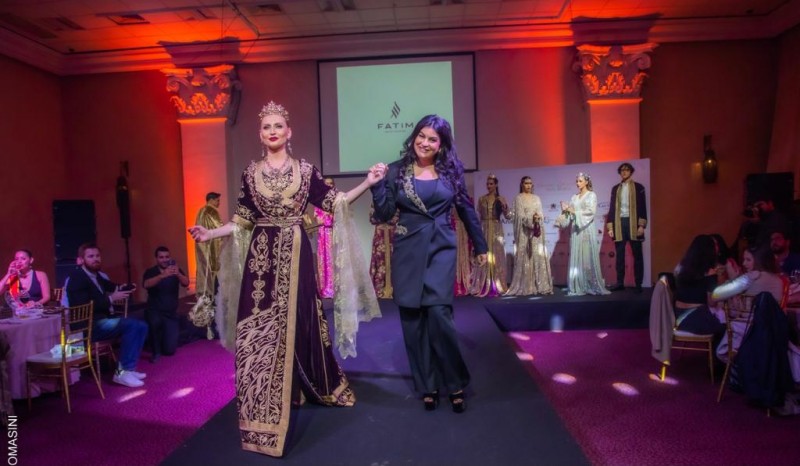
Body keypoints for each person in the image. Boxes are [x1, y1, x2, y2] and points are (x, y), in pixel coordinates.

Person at [188, 101, 380, 458]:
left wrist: (368, 183)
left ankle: (307, 383)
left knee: (301, 320)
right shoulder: (250, 173)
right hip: (261, 259)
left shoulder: (305, 171)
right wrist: (209, 234)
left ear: (288, 132)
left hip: (295, 254)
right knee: (256, 328)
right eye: (267, 127)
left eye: (278, 126)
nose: (273, 131)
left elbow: (335, 202)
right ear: (260, 135)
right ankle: (259, 415)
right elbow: (241, 220)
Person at [370, 114, 488, 413]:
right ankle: (427, 385)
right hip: (408, 251)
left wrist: (481, 245)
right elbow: (384, 214)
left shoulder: (451, 172)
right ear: (413, 137)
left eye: (432, 139)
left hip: (441, 249)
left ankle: (455, 382)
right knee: (413, 322)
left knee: (439, 316)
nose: (424, 143)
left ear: (441, 145)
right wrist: (376, 186)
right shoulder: (396, 171)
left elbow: (466, 209)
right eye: (421, 136)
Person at [65, 243, 147, 388]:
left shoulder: (95, 275)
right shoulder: (77, 277)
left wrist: (123, 287)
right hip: (88, 326)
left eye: (97, 256)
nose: (95, 259)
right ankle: (121, 373)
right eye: (91, 256)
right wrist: (111, 298)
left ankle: (128, 369)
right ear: (82, 259)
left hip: (101, 321)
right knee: (132, 325)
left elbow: (111, 285)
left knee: (142, 325)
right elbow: (83, 305)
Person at [712, 245, 787, 360]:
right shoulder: (779, 280)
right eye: (744, 259)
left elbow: (716, 295)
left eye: (748, 260)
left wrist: (732, 280)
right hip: (773, 331)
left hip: (748, 329)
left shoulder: (752, 276)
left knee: (719, 315)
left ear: (759, 260)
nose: (744, 263)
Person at [556, 173, 610, 296]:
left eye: (580, 181)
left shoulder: (591, 195)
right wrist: (564, 213)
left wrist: (574, 211)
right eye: (577, 181)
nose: (577, 183)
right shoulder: (574, 197)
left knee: (586, 256)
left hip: (586, 229)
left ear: (586, 182)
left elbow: (590, 212)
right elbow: (570, 214)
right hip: (576, 230)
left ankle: (589, 284)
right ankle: (578, 284)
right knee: (577, 255)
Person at [505, 176, 553, 296]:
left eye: (530, 183)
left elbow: (540, 213)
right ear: (522, 184)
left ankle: (539, 284)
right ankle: (525, 285)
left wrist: (537, 220)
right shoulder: (519, 198)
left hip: (536, 231)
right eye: (526, 183)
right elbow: (520, 216)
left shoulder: (537, 198)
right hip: (524, 232)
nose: (528, 185)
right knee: (525, 256)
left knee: (536, 256)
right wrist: (531, 222)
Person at [673, 235, 725, 339]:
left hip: (677, 317)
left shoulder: (681, 267)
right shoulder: (710, 272)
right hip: (697, 319)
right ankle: (717, 349)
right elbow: (712, 302)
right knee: (726, 325)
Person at [142, 246, 189, 362]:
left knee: (170, 350)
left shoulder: (175, 269)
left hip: (171, 314)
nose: (164, 260)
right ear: (156, 258)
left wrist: (178, 274)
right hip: (155, 311)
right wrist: (162, 275)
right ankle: (156, 352)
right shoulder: (151, 271)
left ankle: (163, 340)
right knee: (154, 322)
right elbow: (146, 284)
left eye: (167, 257)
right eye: (161, 257)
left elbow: (186, 283)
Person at [606, 162, 647, 292]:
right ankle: (620, 283)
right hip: (619, 223)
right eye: (622, 170)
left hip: (634, 223)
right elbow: (612, 208)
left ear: (631, 172)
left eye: (627, 170)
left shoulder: (639, 187)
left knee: (637, 255)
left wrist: (641, 225)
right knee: (619, 255)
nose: (624, 172)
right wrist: (610, 227)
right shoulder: (615, 188)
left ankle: (638, 284)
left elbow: (642, 206)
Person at [470, 174, 508, 297]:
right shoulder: (482, 199)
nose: (489, 186)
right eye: (487, 184)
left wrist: (505, 206)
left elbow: (508, 216)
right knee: (484, 253)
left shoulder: (500, 199)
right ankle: (483, 283)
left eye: (491, 183)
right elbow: (478, 216)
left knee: (497, 255)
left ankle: (497, 284)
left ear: (496, 185)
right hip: (484, 228)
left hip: (496, 229)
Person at [194, 192, 223, 298]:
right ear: (211, 200)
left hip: (201, 245)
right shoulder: (212, 211)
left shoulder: (200, 211)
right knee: (213, 269)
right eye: (217, 200)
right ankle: (212, 296)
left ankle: (204, 295)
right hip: (212, 246)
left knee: (203, 269)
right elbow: (219, 228)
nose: (219, 203)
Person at [369, 203, 399, 298]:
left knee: (394, 258)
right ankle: (379, 288)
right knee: (379, 259)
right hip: (380, 233)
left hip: (392, 233)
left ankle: (393, 289)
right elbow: (372, 218)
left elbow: (398, 216)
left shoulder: (395, 200)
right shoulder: (376, 201)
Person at [314, 178, 335, 298]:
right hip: (323, 234)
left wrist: (331, 214)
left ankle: (335, 288)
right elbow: (318, 221)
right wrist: (327, 215)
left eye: (331, 183)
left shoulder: (336, 201)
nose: (329, 185)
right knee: (324, 260)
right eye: (326, 184)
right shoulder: (319, 202)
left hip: (334, 232)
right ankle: (325, 288)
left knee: (334, 259)